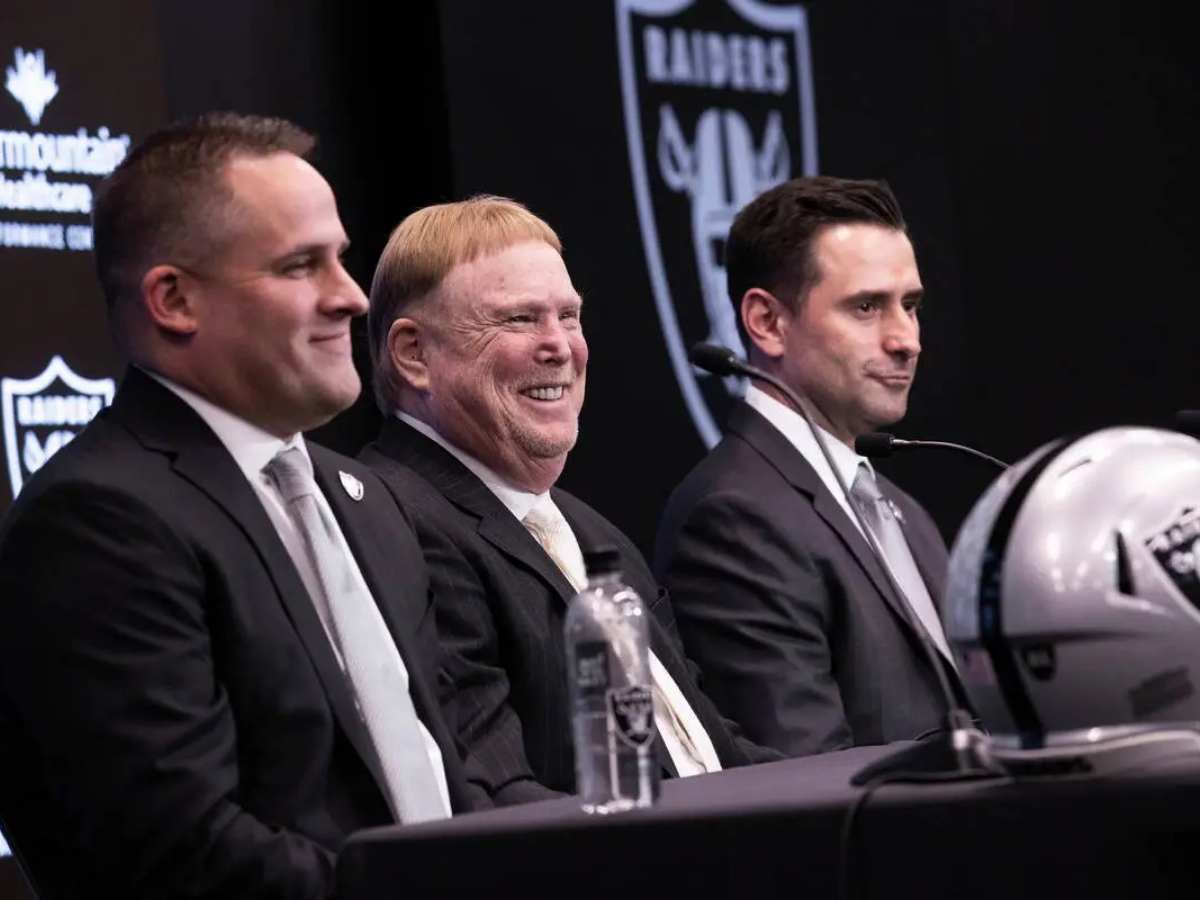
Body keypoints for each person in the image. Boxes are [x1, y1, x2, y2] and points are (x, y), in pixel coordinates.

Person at [0, 113, 482, 900]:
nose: (353, 298)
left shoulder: (367, 502)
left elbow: (439, 772)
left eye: (343, 260)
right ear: (175, 300)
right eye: (302, 267)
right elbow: (177, 850)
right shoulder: (99, 522)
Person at [361, 195, 778, 804]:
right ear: (414, 354)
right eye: (520, 319)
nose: (561, 346)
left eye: (570, 316)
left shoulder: (587, 531)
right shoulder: (398, 522)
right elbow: (496, 794)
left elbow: (701, 748)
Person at [654, 176, 964, 757]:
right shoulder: (732, 520)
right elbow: (807, 782)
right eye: (867, 307)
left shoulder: (902, 510)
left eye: (911, 306)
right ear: (767, 323)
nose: (907, 341)